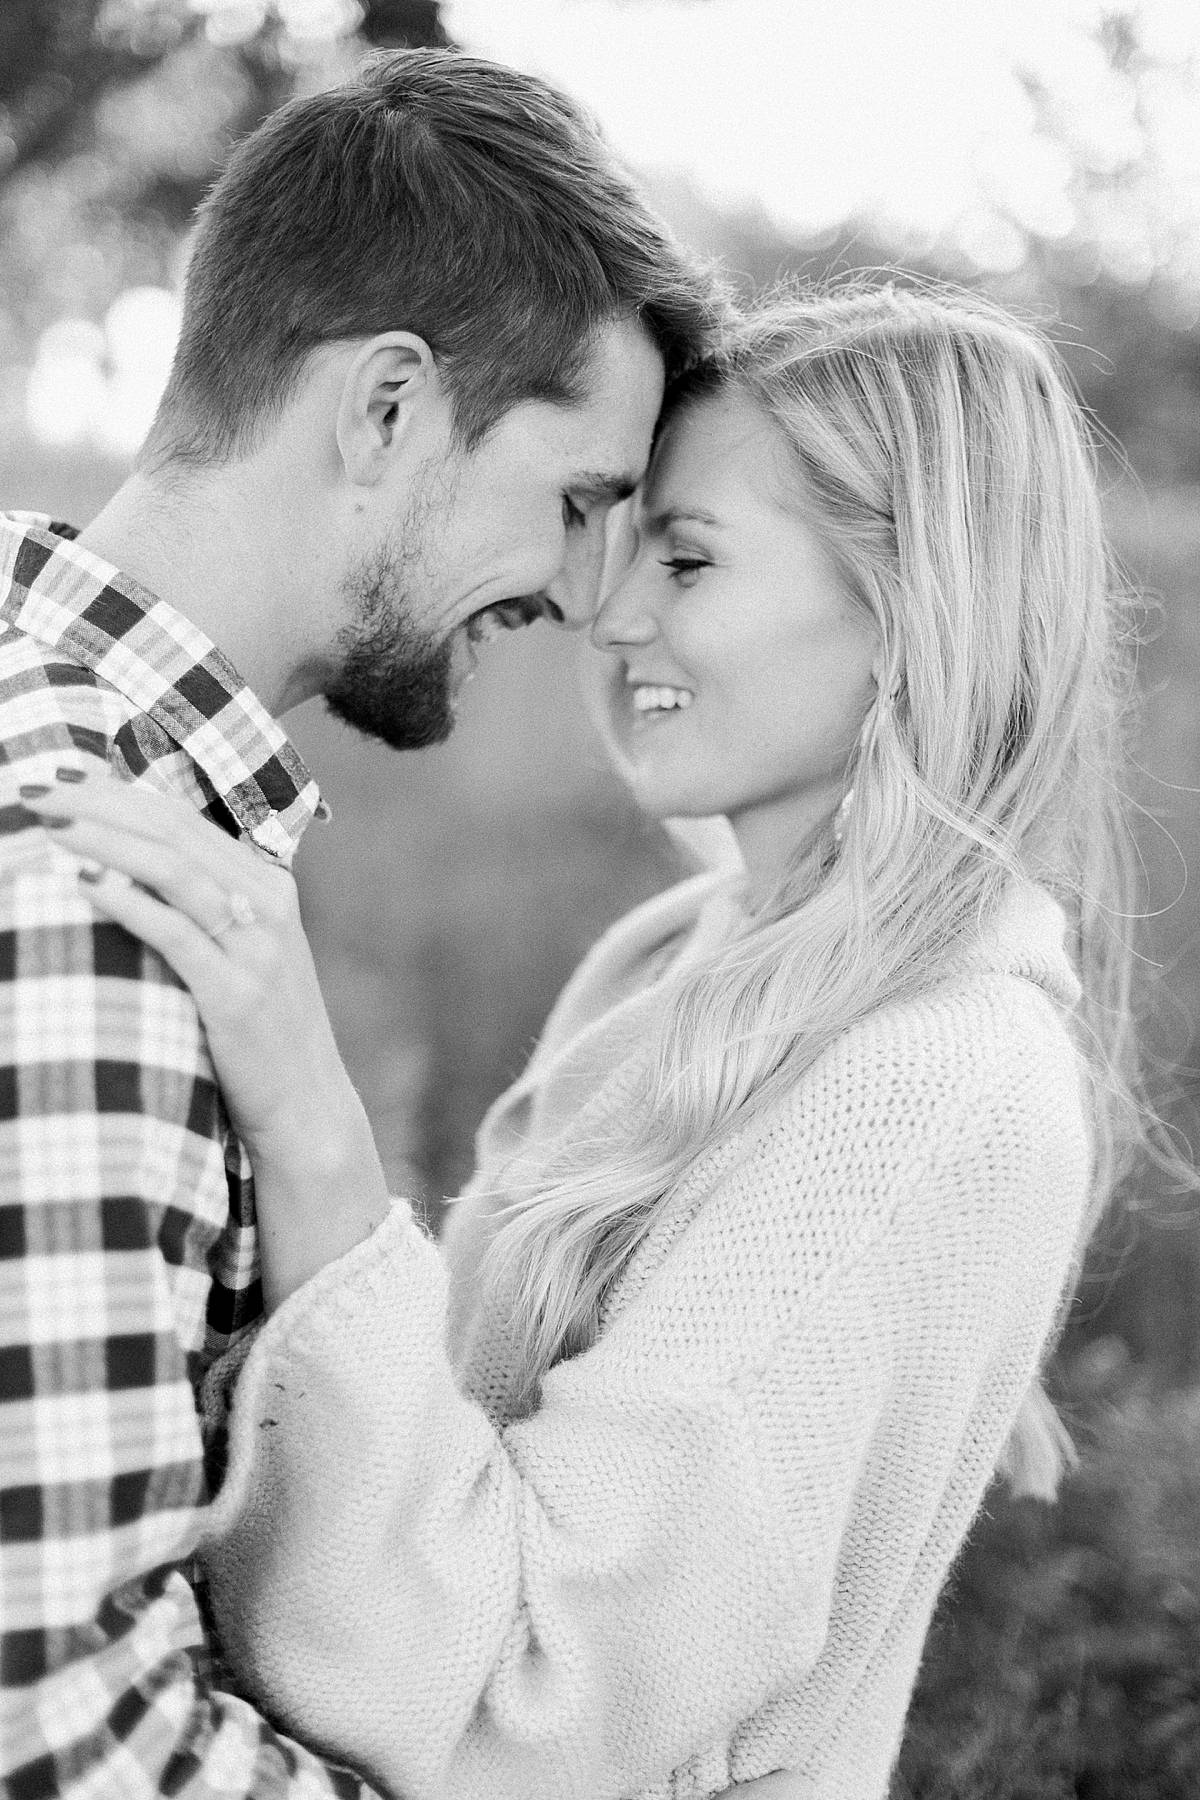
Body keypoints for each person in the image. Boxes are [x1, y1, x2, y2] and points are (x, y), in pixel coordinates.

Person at [25, 280, 1156, 1800]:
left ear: (916, 609)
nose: (607, 611)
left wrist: (312, 1128)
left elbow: (520, 1719)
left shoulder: (935, 1081)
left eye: (685, 559)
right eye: (620, 542)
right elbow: (438, 1457)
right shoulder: (673, 964)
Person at [0, 48, 727, 1799]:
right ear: (388, 408)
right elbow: (64, 1743)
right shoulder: (92, 882)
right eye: (574, 501)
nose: (578, 591)